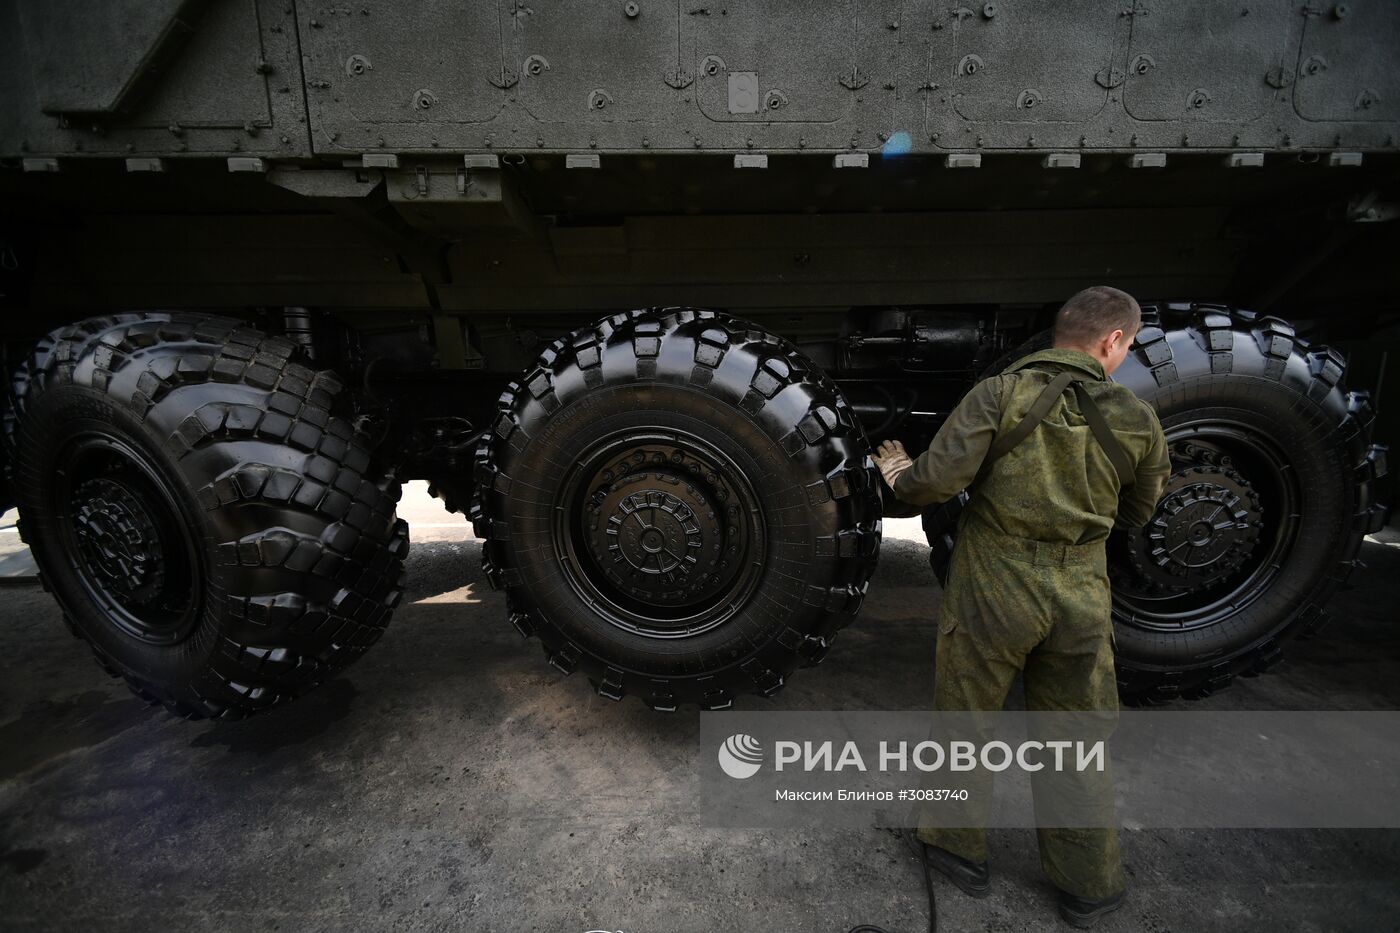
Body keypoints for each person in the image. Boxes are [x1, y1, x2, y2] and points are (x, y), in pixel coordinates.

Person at [873, 286, 1171, 929]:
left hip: (993, 583)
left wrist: (898, 472)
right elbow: (1140, 514)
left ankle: (956, 854)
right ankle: (1087, 886)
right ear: (1111, 341)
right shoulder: (1136, 416)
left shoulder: (999, 395)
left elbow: (936, 482)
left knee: (967, 720)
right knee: (1077, 741)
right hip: (1081, 593)